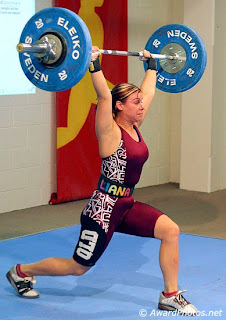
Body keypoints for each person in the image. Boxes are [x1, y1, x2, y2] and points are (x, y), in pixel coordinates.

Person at [6, 47, 198, 316]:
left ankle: (170, 295)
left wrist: (153, 66)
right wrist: (94, 64)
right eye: (136, 102)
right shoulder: (110, 132)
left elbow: (150, 92)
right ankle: (20, 272)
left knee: (170, 231)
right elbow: (104, 95)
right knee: (78, 267)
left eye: (141, 102)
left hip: (126, 205)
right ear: (119, 106)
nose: (142, 105)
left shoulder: (134, 127)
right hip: (103, 210)